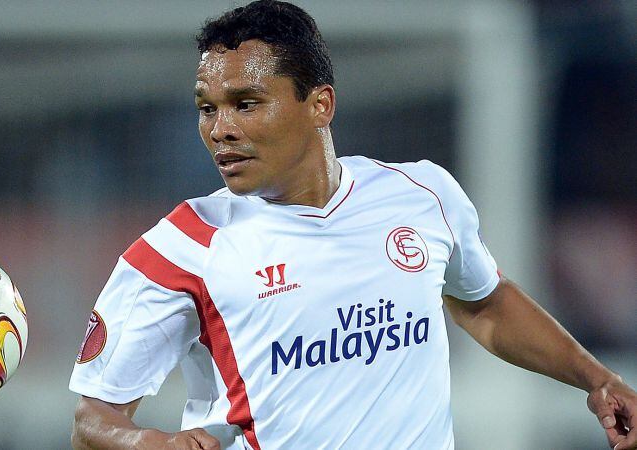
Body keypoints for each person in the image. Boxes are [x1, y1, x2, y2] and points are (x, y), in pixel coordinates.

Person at [69, 1, 637, 449]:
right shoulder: (183, 245)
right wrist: (147, 443)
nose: (220, 129)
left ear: (320, 105)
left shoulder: (421, 194)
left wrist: (597, 379)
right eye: (206, 107)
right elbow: (93, 418)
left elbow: (484, 303)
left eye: (245, 103)